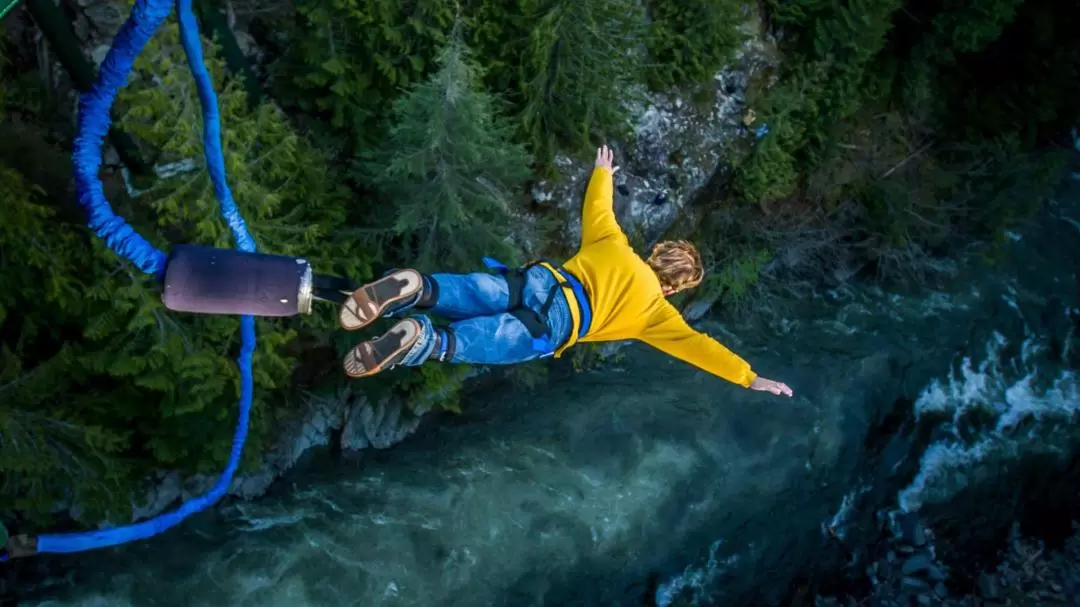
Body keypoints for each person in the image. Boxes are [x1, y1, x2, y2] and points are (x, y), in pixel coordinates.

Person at [338, 145, 794, 397]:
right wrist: (749, 377)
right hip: (557, 324)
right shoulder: (656, 314)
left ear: (657, 254)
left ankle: (417, 287)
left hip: (541, 281)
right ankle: (422, 338)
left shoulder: (614, 244)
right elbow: (700, 348)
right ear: (675, 288)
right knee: (472, 342)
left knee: (477, 291)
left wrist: (603, 172)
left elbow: (599, 207)